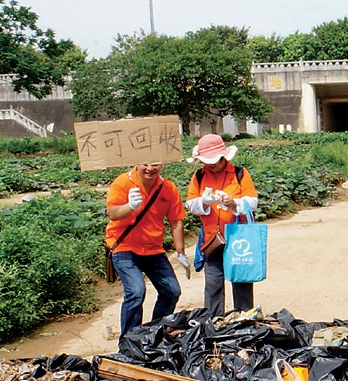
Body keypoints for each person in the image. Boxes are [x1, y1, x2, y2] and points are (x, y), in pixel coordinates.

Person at [106, 162, 189, 339]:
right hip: (124, 247)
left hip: (153, 249)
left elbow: (176, 221)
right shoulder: (123, 183)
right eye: (145, 164)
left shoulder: (168, 188)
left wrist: (181, 252)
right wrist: (130, 206)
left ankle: (155, 334)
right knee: (136, 292)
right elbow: (112, 213)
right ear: (137, 163)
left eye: (155, 164)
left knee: (172, 291)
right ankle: (129, 341)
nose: (150, 168)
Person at [185, 134, 260, 316]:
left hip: (238, 239)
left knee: (241, 281)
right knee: (213, 284)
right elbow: (190, 205)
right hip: (212, 239)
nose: (212, 165)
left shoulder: (239, 174)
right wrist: (204, 201)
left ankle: (243, 320)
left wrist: (234, 203)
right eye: (207, 161)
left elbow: (253, 202)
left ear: (223, 157)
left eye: (216, 161)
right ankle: (214, 322)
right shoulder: (199, 176)